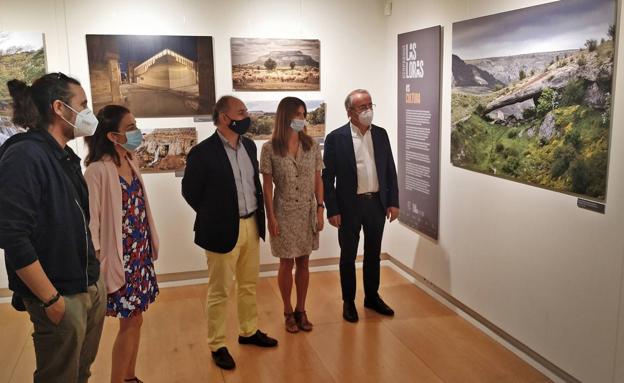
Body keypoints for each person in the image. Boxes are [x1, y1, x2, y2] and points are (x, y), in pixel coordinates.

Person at [0, 73, 106, 382]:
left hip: (85, 282)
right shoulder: (25, 155)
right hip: (59, 292)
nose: (89, 112)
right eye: (83, 104)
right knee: (58, 377)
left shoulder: (63, 155)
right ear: (59, 108)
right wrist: (50, 299)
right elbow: (11, 233)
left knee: (80, 372)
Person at [182, 95, 278, 371]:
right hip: (221, 229)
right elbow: (190, 192)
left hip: (250, 224)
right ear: (225, 118)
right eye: (241, 111)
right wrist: (215, 214)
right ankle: (217, 343)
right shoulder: (202, 153)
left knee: (249, 284)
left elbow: (252, 185)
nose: (247, 115)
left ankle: (248, 331)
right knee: (220, 289)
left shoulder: (248, 146)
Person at [84, 105, 159, 383]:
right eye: (130, 127)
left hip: (139, 256)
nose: (136, 131)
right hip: (119, 260)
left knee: (136, 319)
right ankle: (120, 379)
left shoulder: (130, 159)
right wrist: (100, 262)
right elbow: (92, 223)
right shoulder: (97, 171)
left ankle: (129, 376)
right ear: (113, 136)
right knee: (130, 320)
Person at [322, 89, 400, 323]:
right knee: (348, 255)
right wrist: (332, 209)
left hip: (376, 203)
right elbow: (327, 177)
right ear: (349, 112)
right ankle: (348, 301)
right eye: (362, 107)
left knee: (373, 254)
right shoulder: (337, 138)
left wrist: (393, 202)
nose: (368, 110)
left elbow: (389, 170)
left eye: (369, 105)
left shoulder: (381, 135)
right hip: (349, 206)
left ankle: (372, 296)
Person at [260, 97, 324, 333]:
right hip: (283, 211)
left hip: (306, 211)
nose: (301, 118)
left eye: (303, 114)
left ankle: (301, 309)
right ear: (285, 116)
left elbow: (319, 179)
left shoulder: (312, 146)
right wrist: (271, 218)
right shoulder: (270, 148)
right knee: (286, 262)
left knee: (304, 261)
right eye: (297, 114)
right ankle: (287, 310)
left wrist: (320, 208)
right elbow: (267, 187)